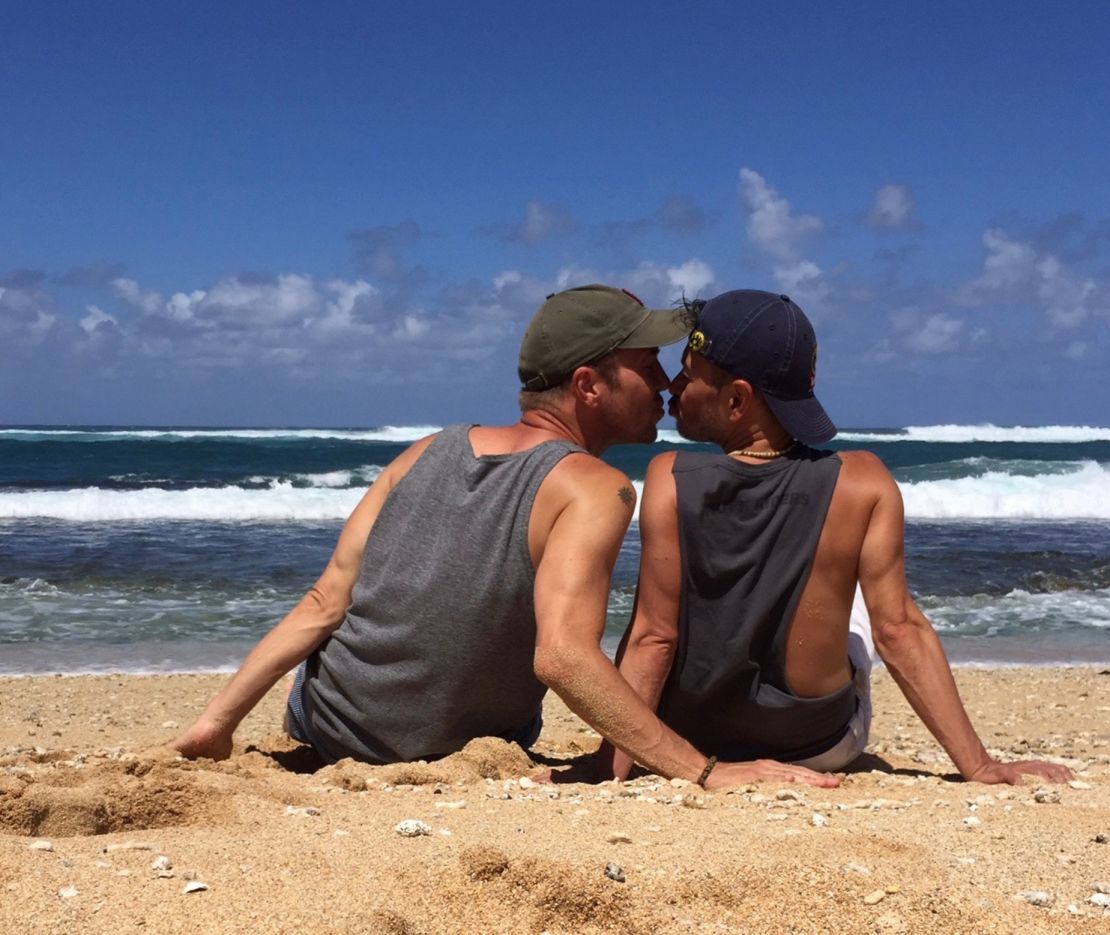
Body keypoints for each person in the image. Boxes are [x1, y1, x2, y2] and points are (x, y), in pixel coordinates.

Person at [171, 284, 839, 790]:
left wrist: (216, 721)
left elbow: (324, 602)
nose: (667, 381)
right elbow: (564, 659)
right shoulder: (591, 487)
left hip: (328, 723)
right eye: (646, 364)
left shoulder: (424, 449)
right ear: (588, 385)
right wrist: (703, 771)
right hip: (448, 745)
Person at [598, 289, 1072, 786]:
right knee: (865, 611)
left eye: (688, 374)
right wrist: (978, 765)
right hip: (817, 746)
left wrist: (607, 768)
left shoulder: (669, 477)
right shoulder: (864, 481)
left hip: (694, 740)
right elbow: (900, 631)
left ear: (736, 399)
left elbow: (655, 638)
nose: (673, 386)